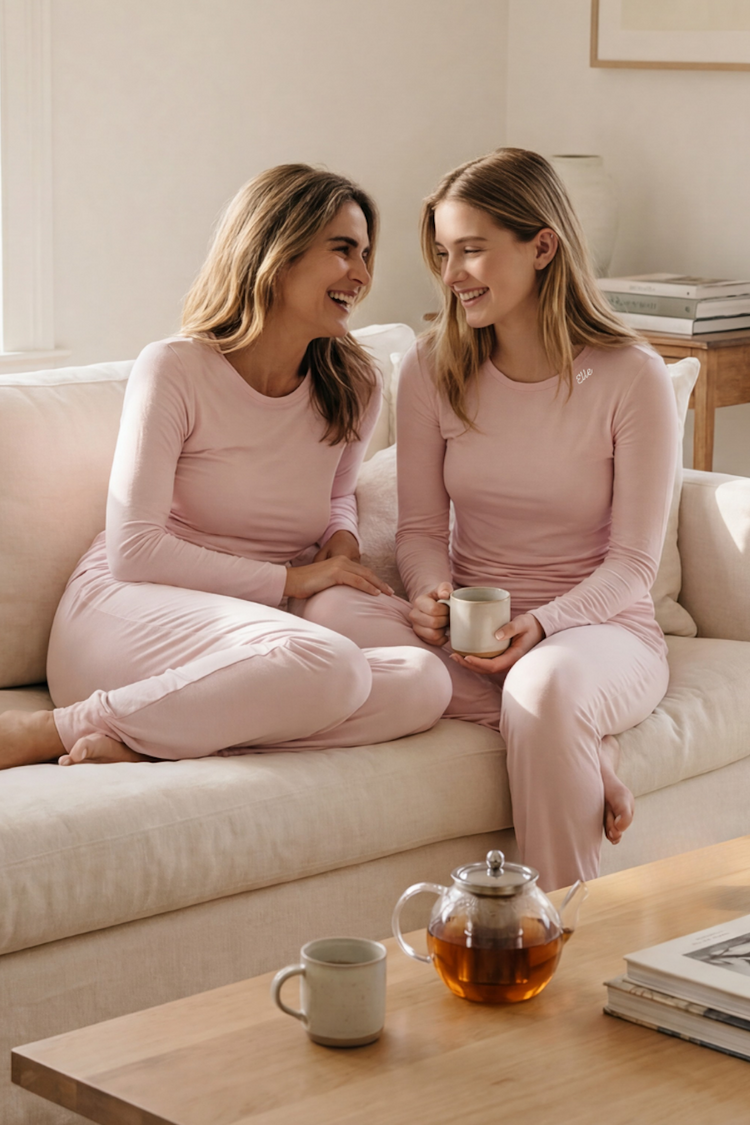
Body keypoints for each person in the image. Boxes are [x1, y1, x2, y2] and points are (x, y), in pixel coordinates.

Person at [301, 148, 678, 890]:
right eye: (443, 253)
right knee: (330, 610)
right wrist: (434, 594)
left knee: (545, 686)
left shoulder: (632, 375)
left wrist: (542, 628)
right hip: (477, 630)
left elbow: (633, 565)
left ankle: (562, 932)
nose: (450, 275)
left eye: (471, 250)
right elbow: (417, 531)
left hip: (599, 632)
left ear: (542, 246)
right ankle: (576, 748)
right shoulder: (431, 365)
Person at [0, 164, 451, 770]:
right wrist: (292, 583)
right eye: (342, 250)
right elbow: (134, 550)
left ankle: (147, 737)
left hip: (255, 631)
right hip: (132, 609)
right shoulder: (177, 369)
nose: (363, 275)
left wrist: (339, 547)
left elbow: (337, 495)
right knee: (331, 664)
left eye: (366, 254)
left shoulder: (355, 382)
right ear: (277, 250)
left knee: (423, 680)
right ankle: (54, 729)